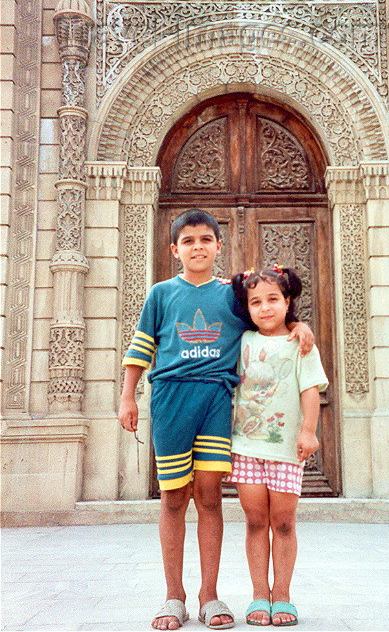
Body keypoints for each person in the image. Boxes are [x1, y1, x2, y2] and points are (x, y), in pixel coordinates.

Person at [118, 210, 314, 631]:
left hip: (216, 403)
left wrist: (297, 324)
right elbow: (140, 348)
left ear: (219, 247)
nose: (198, 247)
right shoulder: (161, 294)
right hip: (171, 400)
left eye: (206, 239)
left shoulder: (230, 296)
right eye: (188, 241)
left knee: (209, 496)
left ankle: (209, 595)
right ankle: (174, 596)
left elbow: (269, 317)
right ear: (174, 250)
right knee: (173, 497)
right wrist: (127, 398)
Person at [226, 266, 328, 627]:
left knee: (283, 522)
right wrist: (231, 283)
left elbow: (309, 389)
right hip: (247, 447)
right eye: (256, 301)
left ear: (288, 302)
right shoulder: (242, 341)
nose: (265, 308)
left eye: (273, 299)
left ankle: (282, 594)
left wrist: (309, 432)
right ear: (247, 307)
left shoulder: (300, 343)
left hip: (286, 449)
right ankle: (259, 593)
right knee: (255, 521)